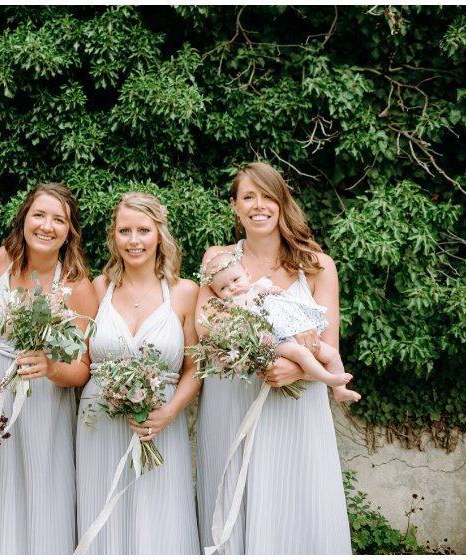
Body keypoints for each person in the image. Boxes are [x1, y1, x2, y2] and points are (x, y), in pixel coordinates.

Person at [195, 162, 351, 554]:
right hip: (232, 401)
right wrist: (257, 352)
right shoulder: (217, 260)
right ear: (235, 205)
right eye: (249, 197)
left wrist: (293, 367)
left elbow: (329, 342)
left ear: (281, 203)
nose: (258, 205)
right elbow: (204, 328)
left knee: (296, 501)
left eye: (267, 196)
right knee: (234, 500)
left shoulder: (317, 266)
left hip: (296, 410)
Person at [75, 192, 201, 554]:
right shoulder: (98, 288)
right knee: (102, 516)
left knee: (160, 518)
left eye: (143, 230)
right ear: (113, 236)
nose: (134, 240)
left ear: (159, 234)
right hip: (98, 424)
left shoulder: (185, 293)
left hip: (159, 426)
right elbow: (79, 360)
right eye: (124, 230)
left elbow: (195, 367)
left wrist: (170, 411)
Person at [0, 182, 99, 554]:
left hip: (43, 401)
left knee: (39, 487)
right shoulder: (1, 260)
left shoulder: (78, 286)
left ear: (70, 231)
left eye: (58, 220)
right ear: (24, 219)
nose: (47, 226)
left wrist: (49, 368)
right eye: (39, 215)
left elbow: (81, 370)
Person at [200, 252, 361, 402]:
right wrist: (258, 293)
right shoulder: (232, 304)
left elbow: (284, 300)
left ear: (247, 275)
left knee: (332, 354)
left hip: (292, 332)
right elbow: (243, 309)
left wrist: (274, 290)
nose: (232, 287)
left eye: (235, 280)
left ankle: (340, 390)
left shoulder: (261, 284)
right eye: (223, 288)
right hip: (275, 342)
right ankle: (328, 379)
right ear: (216, 293)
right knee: (301, 353)